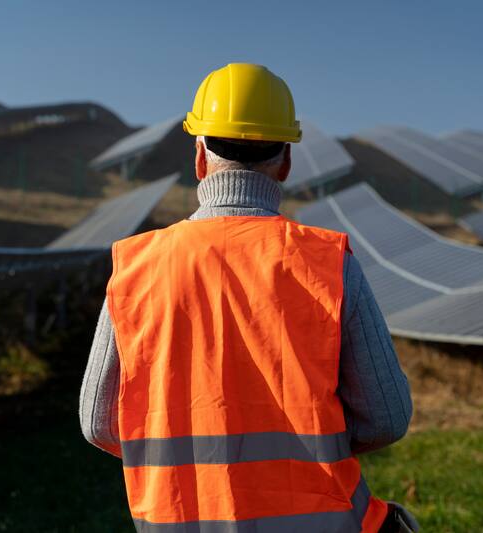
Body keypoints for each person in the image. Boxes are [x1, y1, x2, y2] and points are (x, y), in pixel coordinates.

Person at [79, 63, 417, 532]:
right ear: (286, 161)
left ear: (199, 157)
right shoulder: (328, 263)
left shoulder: (137, 267)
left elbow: (99, 422)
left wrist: (198, 460)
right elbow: (387, 417)